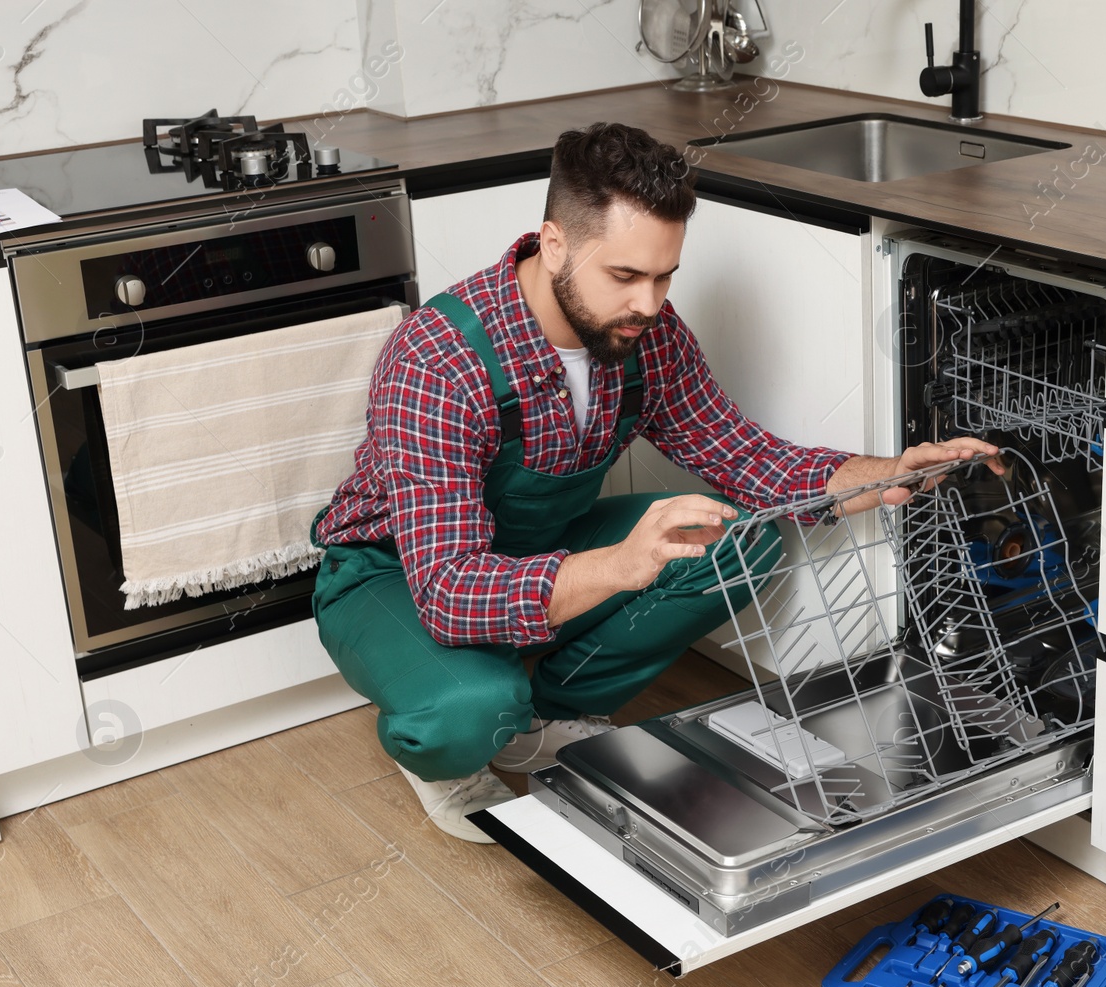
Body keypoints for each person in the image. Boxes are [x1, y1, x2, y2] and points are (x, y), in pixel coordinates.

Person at [311, 122, 1000, 844]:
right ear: (553, 246)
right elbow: (449, 592)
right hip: (393, 575)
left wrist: (890, 472)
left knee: (741, 539)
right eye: (625, 275)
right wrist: (621, 564)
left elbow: (744, 455)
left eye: (664, 274)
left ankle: (543, 710)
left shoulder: (645, 332)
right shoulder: (439, 360)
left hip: (535, 547)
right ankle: (455, 739)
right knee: (471, 709)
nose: (649, 301)